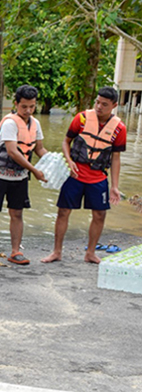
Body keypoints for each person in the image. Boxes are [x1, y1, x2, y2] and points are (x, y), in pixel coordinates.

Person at [42, 87, 126, 264]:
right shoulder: (81, 118)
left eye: (104, 104)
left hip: (98, 178)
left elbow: (116, 158)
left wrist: (115, 186)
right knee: (63, 211)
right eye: (97, 102)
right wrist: (68, 160)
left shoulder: (119, 128)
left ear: (114, 105)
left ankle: (90, 253)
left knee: (100, 215)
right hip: (75, 175)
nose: (99, 107)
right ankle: (56, 251)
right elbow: (66, 141)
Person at [0, 85, 48, 266]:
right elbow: (13, 152)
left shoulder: (35, 124)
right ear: (16, 104)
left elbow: (39, 148)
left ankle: (15, 251)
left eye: (32, 106)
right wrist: (35, 171)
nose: (28, 111)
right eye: (24, 107)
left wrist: (53, 163)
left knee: (17, 213)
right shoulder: (9, 123)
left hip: (19, 177)